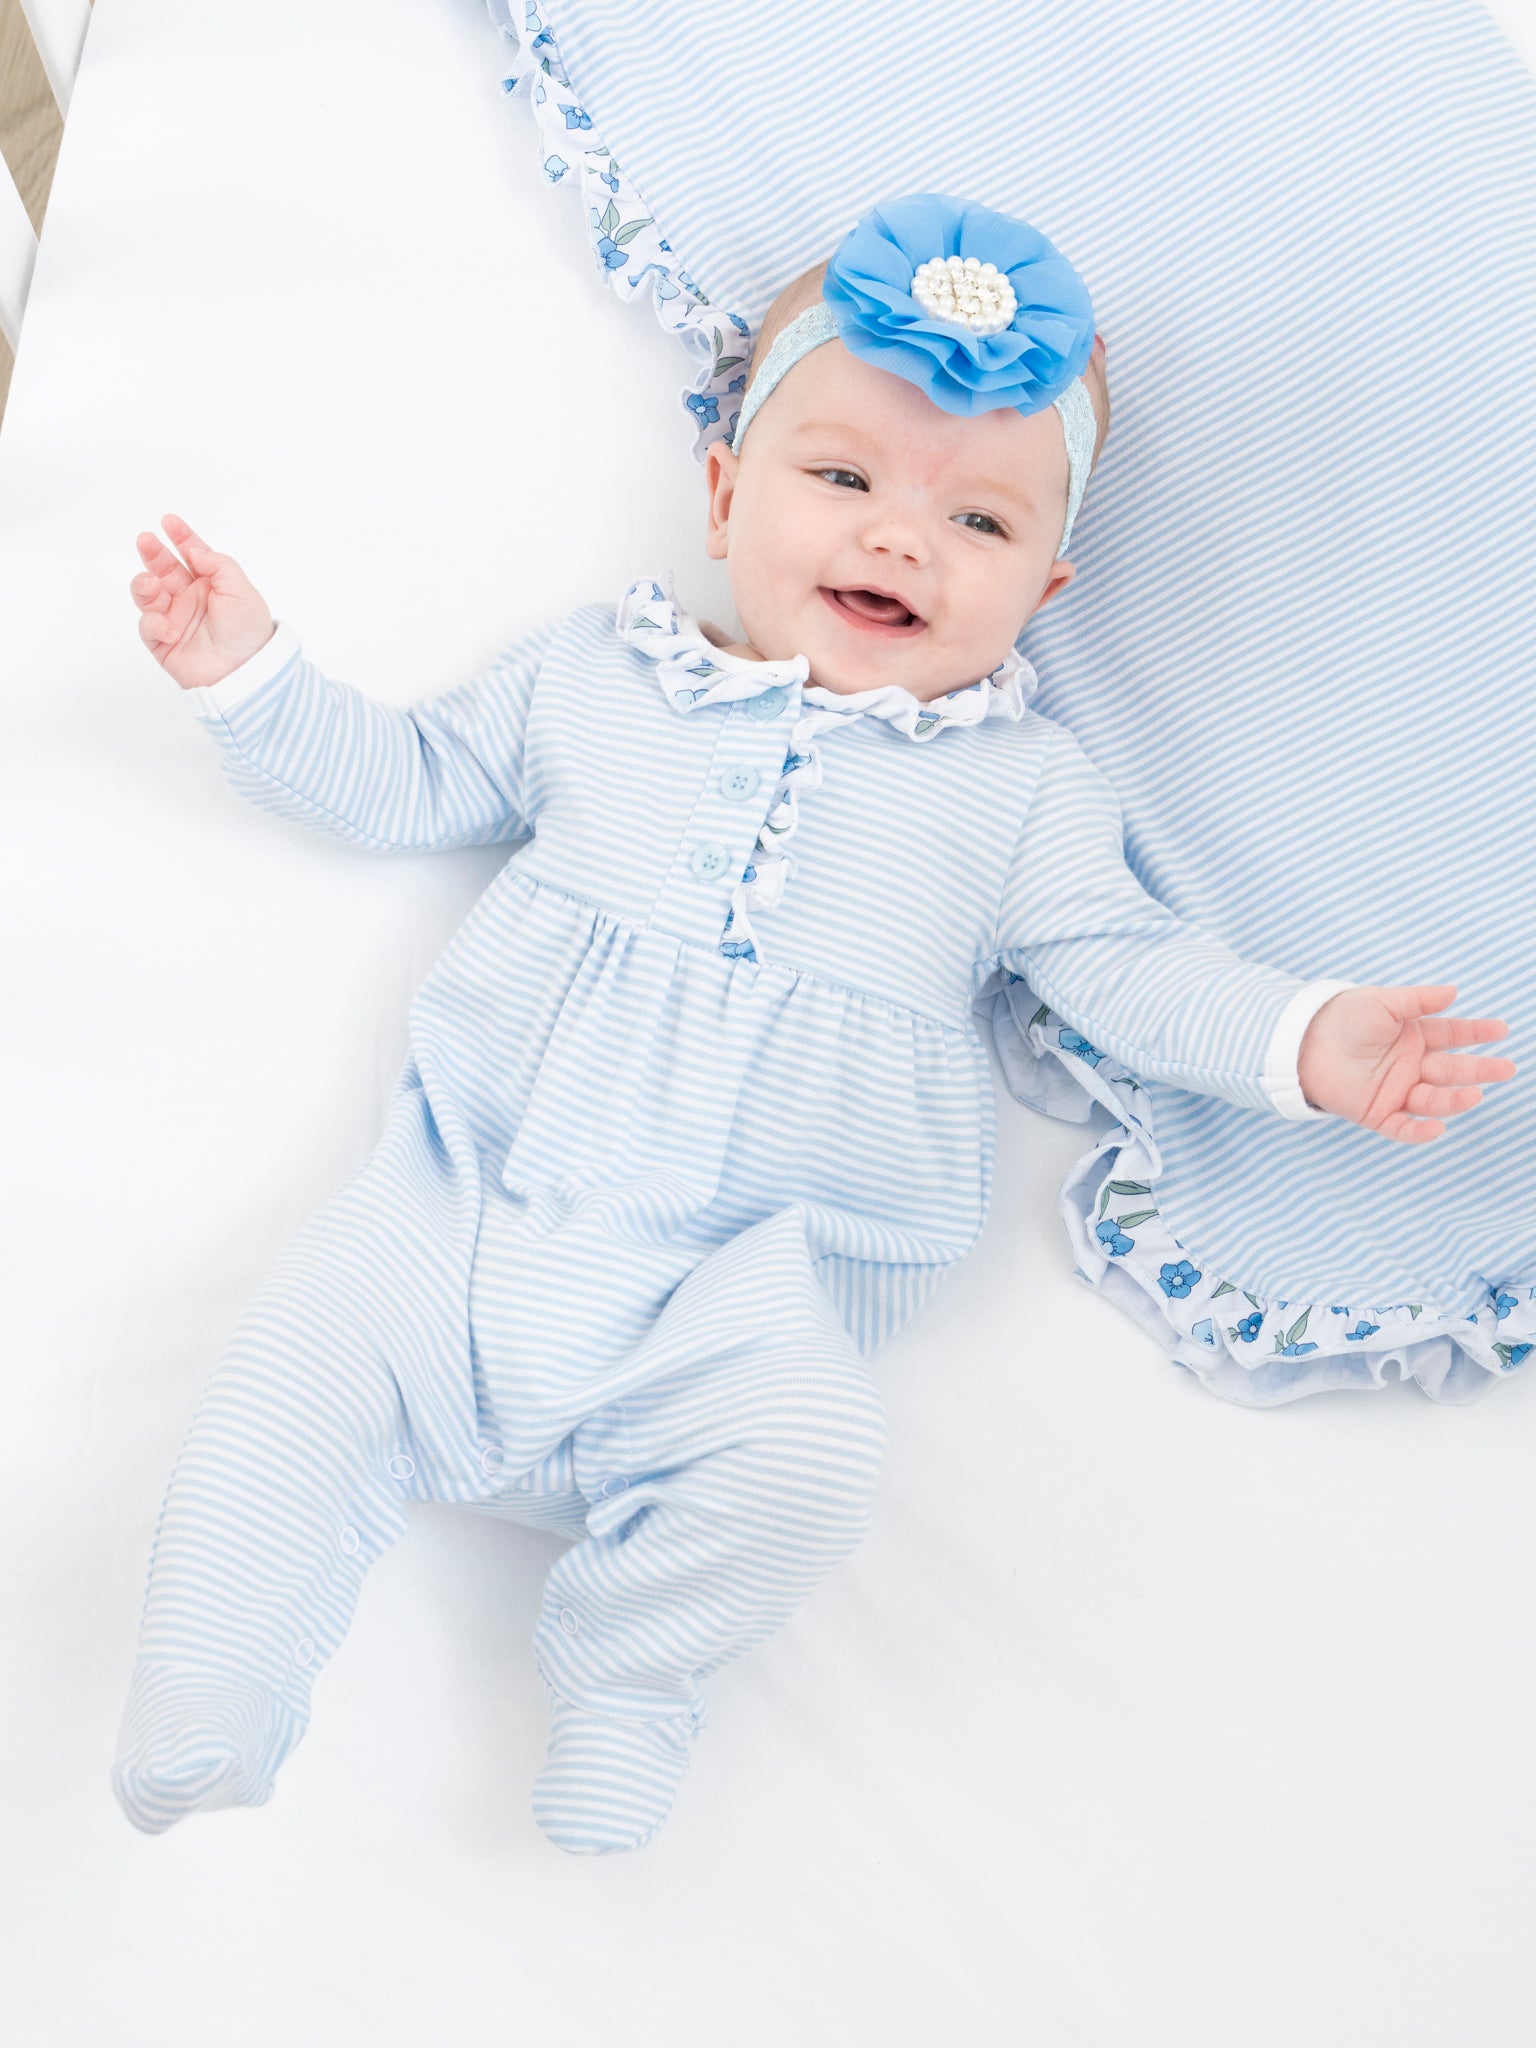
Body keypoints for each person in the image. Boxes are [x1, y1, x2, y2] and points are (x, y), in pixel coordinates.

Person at [114, 194, 1513, 1855]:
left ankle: (629, 1671)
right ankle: (215, 1678)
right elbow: (405, 783)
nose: (902, 540)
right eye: (844, 479)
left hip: (743, 1296)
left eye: (977, 520)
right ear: (723, 493)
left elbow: (1127, 966)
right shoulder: (595, 678)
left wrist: (1307, 1040)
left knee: (809, 1458)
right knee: (292, 1377)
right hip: (464, 1215)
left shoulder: (1018, 792)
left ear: (1045, 587)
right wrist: (253, 677)